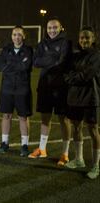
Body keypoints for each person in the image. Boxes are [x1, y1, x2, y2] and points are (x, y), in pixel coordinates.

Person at [28, 17, 72, 166]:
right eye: (49, 28)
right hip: (45, 85)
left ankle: (65, 153)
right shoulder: (42, 44)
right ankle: (42, 149)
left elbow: (63, 62)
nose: (52, 30)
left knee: (63, 119)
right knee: (45, 118)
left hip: (61, 87)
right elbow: (36, 62)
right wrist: (52, 59)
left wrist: (47, 60)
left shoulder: (66, 43)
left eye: (55, 27)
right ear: (46, 29)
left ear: (60, 28)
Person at [64, 27, 100, 179]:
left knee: (93, 130)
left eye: (87, 38)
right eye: (81, 38)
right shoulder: (74, 56)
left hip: (91, 97)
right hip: (74, 97)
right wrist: (72, 77)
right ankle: (79, 159)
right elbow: (66, 74)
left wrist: (73, 77)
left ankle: (96, 165)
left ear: (93, 39)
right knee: (76, 127)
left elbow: (87, 75)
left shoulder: (97, 55)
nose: (84, 40)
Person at [0, 26, 33, 156]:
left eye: (19, 34)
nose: (16, 37)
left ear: (24, 36)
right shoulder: (6, 50)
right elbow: (1, 67)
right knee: (6, 115)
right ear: (11, 36)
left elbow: (25, 66)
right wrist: (17, 64)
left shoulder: (28, 50)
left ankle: (24, 145)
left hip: (22, 89)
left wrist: (11, 65)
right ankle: (4, 143)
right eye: (14, 34)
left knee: (23, 117)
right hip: (7, 88)